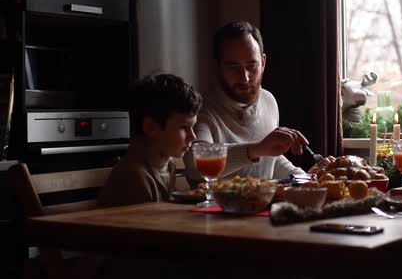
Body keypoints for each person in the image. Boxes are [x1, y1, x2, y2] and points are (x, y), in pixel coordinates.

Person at [184, 21, 333, 183]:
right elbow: (195, 163)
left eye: (251, 65)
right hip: (214, 207)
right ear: (216, 66)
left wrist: (305, 177)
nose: (245, 77)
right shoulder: (200, 109)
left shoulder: (269, 101)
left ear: (263, 63)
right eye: (233, 67)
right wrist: (256, 149)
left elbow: (271, 160)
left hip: (262, 205)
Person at [98, 73, 202, 207]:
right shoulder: (134, 177)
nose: (193, 136)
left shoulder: (166, 166)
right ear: (151, 127)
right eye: (184, 127)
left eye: (193, 127)